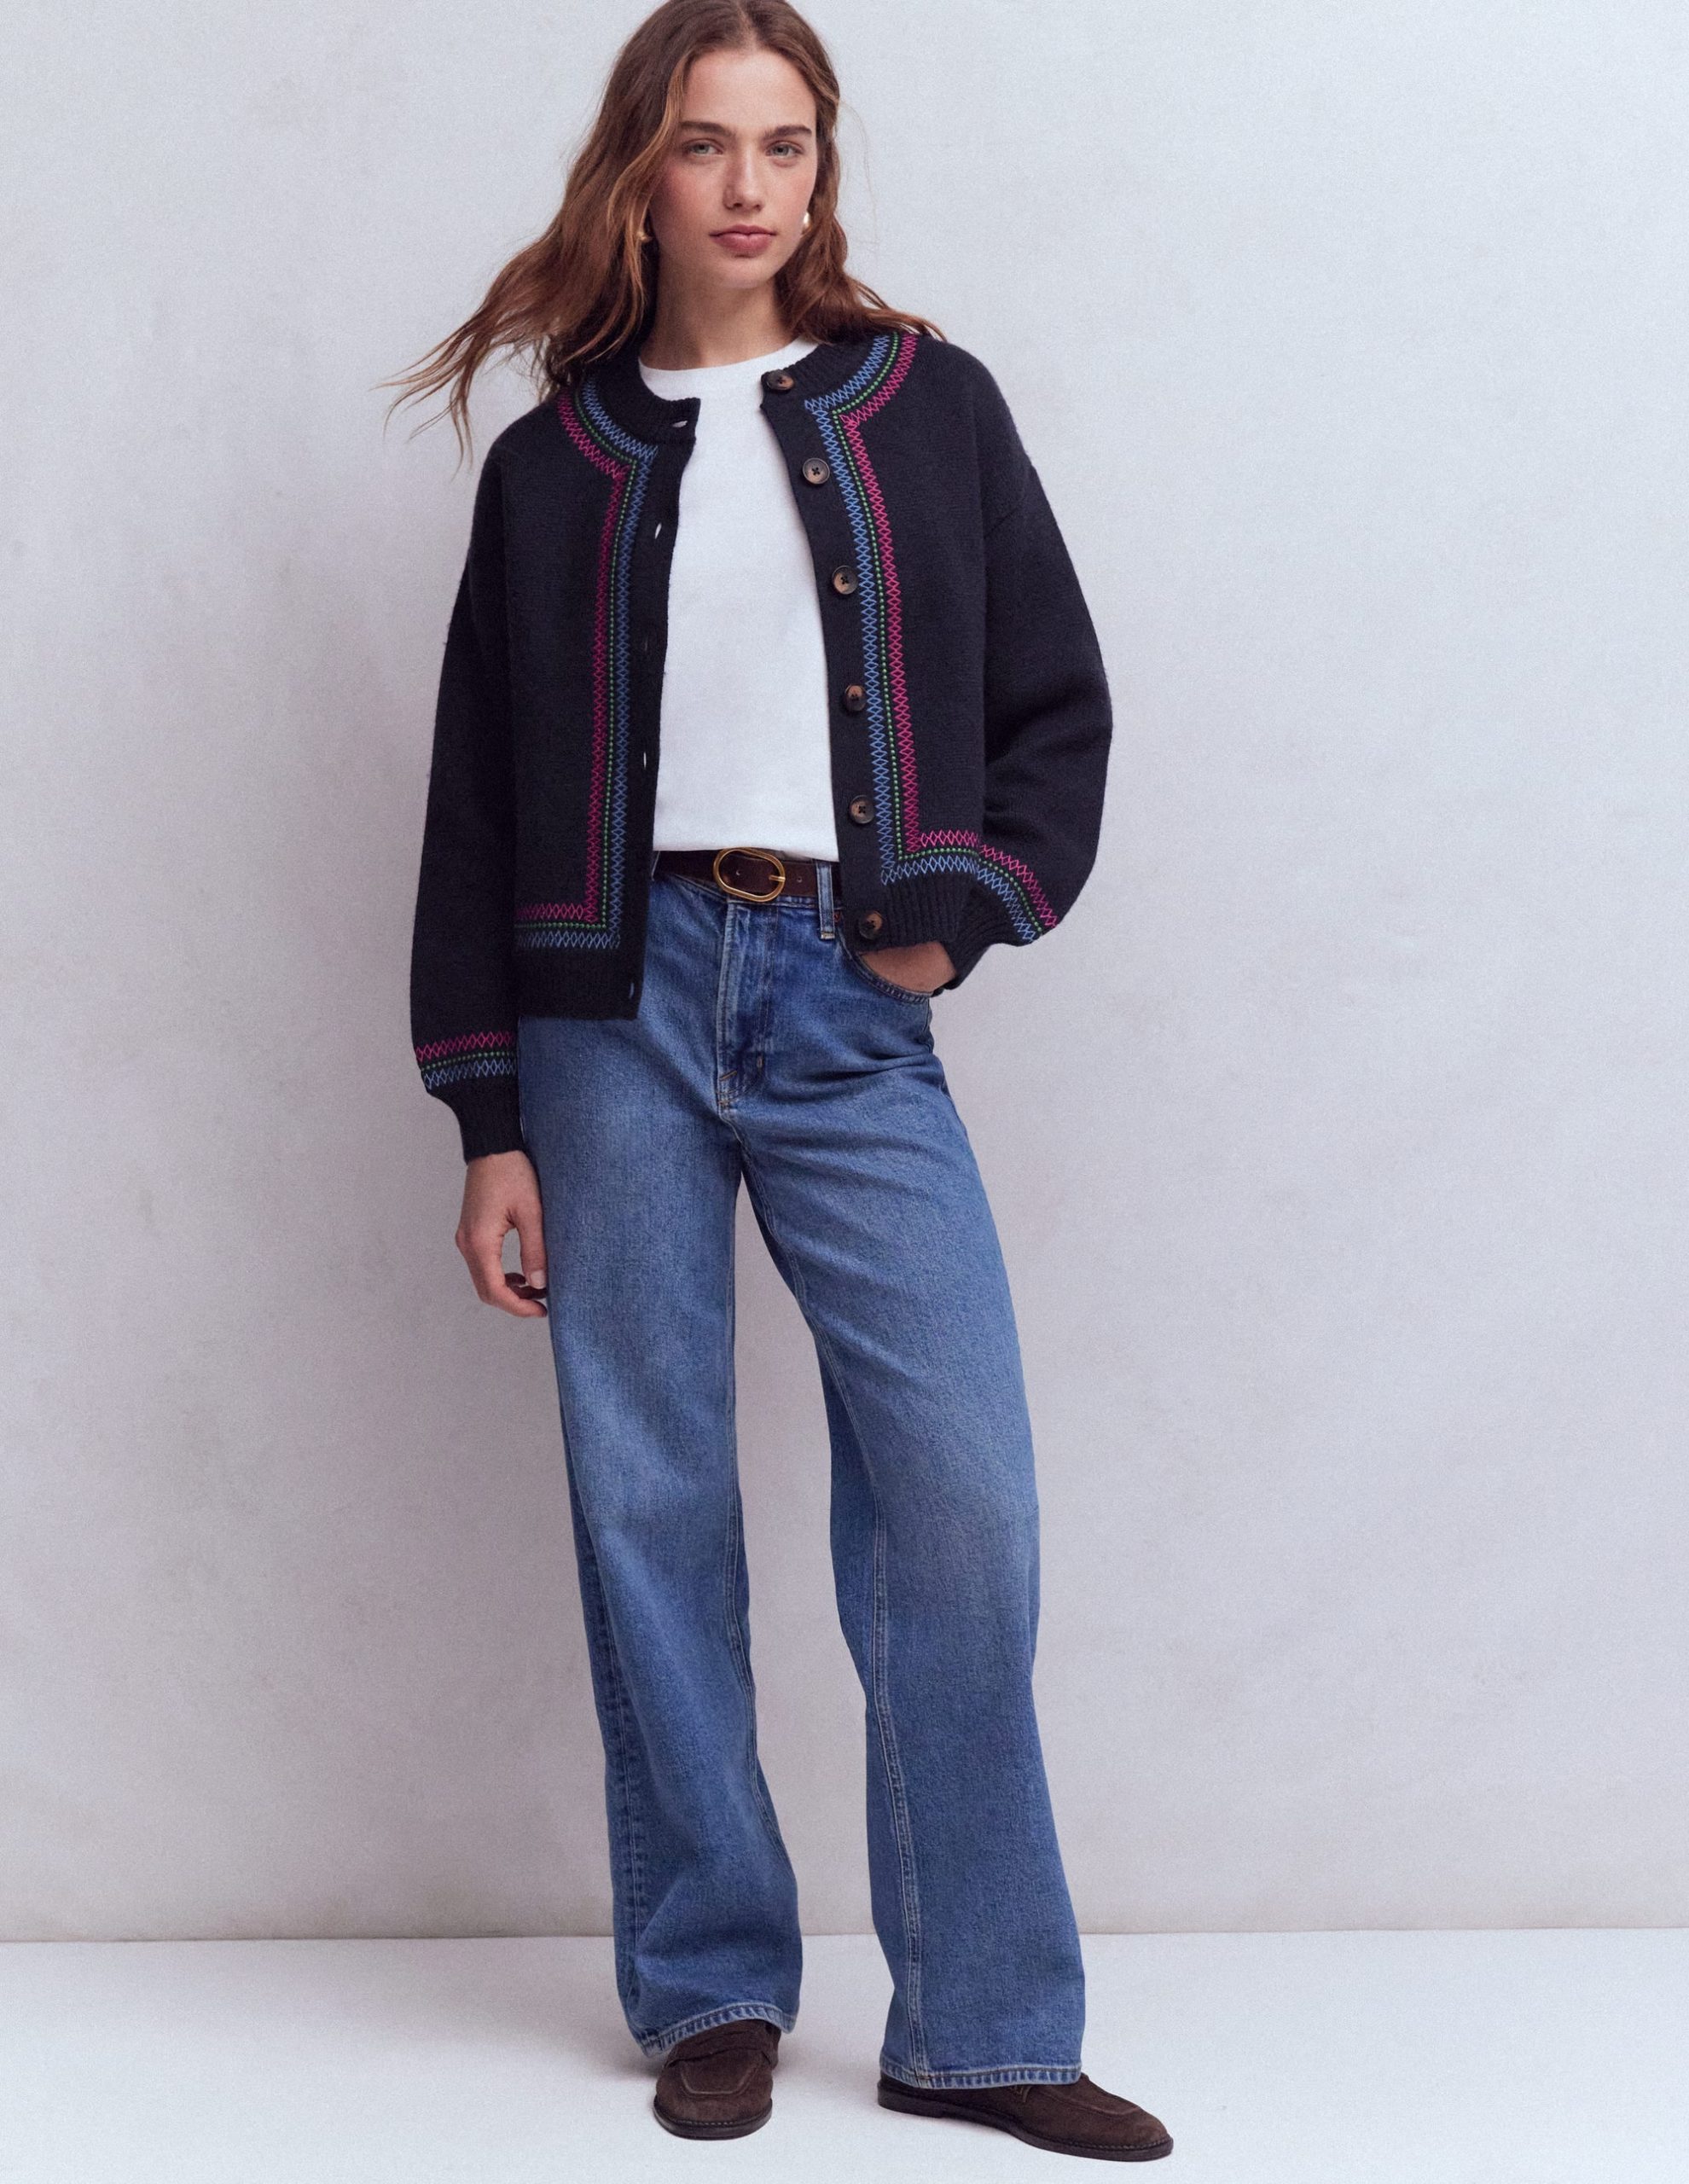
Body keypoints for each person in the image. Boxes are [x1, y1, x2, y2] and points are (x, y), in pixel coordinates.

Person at [386, 0, 1171, 2161]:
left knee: (961, 1502)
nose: (751, 184)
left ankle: (980, 2022)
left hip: (845, 1001)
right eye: (708, 143)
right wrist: (488, 1119)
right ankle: (714, 1983)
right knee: (649, 1499)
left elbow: (1058, 706)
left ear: (824, 168)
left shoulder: (926, 405)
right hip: (606, 1011)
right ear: (638, 173)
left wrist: (958, 912)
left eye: (789, 143)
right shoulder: (556, 466)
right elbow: (475, 806)